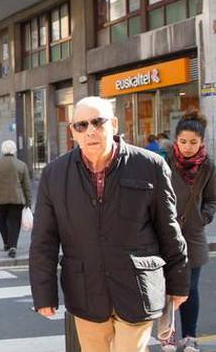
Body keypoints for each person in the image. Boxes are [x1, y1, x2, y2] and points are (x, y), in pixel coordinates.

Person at [29, 96, 189, 352]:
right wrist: (43, 294)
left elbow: (169, 230)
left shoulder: (150, 166)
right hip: (85, 291)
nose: (90, 131)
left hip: (138, 288)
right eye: (81, 125)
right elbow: (43, 241)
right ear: (73, 132)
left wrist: (179, 283)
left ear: (113, 124)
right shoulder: (55, 174)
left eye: (97, 122)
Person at [161, 112, 216, 352]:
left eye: (193, 142)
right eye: (183, 141)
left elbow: (212, 200)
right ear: (176, 141)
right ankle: (168, 336)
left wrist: (202, 218)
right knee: (166, 288)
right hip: (164, 234)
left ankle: (190, 336)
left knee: (189, 288)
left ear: (202, 142)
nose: (188, 147)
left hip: (193, 236)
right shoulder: (163, 161)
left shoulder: (208, 166)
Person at [0, 140, 32, 258]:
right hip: (16, 199)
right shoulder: (21, 165)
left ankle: (6, 243)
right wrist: (28, 202)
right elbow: (26, 185)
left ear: (3, 150)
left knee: (2, 220)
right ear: (14, 150)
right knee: (14, 222)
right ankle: (13, 246)